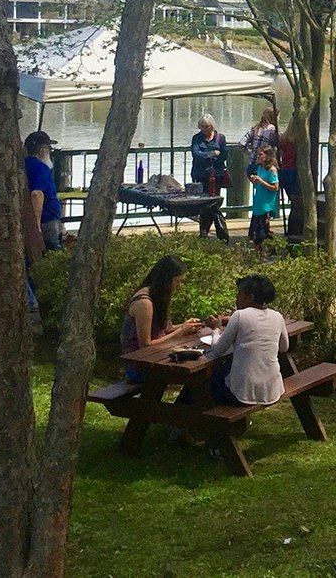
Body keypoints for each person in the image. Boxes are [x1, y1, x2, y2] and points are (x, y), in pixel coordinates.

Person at [201, 274, 289, 407]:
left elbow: (218, 350)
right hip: (271, 389)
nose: (236, 297)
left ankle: (188, 420)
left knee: (205, 379)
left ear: (250, 298)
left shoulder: (240, 316)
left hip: (243, 393)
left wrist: (216, 329)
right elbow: (284, 347)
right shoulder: (277, 316)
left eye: (239, 293)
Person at [120, 254, 203, 380]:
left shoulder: (159, 296)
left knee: (198, 373)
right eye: (177, 281)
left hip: (156, 357)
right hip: (138, 364)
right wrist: (181, 331)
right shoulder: (144, 303)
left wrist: (186, 325)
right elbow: (146, 345)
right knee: (196, 376)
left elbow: (165, 329)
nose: (179, 285)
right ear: (166, 279)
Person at [23, 130, 65, 255]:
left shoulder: (25, 165)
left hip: (45, 219)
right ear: (42, 151)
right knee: (53, 253)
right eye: (49, 150)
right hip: (47, 221)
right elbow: (37, 194)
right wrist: (37, 223)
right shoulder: (41, 168)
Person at [190, 113, 230, 241]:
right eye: (202, 127)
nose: (205, 129)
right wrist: (212, 154)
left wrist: (210, 157)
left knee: (213, 203)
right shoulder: (197, 138)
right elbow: (196, 154)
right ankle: (216, 233)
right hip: (200, 175)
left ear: (212, 126)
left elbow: (224, 155)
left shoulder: (220, 138)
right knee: (203, 204)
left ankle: (207, 233)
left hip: (215, 176)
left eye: (207, 126)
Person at [247, 146, 280, 255]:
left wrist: (261, 181)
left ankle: (268, 251)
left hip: (267, 204)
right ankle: (262, 252)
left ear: (267, 156)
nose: (258, 157)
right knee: (257, 229)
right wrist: (254, 180)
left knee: (263, 230)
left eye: (260, 154)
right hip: (259, 202)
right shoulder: (260, 168)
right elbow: (259, 183)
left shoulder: (272, 169)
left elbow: (275, 187)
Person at [241, 106, 279, 175]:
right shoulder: (272, 129)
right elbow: (278, 144)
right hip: (265, 166)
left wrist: (252, 153)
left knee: (257, 185)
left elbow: (241, 144)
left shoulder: (255, 128)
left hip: (251, 165)